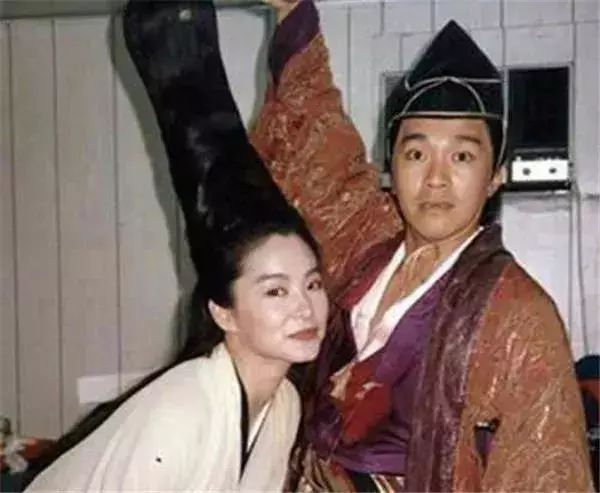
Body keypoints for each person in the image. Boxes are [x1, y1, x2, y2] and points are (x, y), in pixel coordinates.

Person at [246, 0, 593, 490]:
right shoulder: (365, 246)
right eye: (415, 153)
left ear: (496, 175)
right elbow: (316, 150)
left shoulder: (519, 317)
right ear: (391, 165)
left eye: (462, 156)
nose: (435, 178)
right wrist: (293, 12)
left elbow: (545, 476)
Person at [24, 1, 328, 491]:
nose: (305, 307)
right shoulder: (182, 408)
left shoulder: (284, 405)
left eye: (312, 284)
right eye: (275, 290)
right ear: (224, 313)